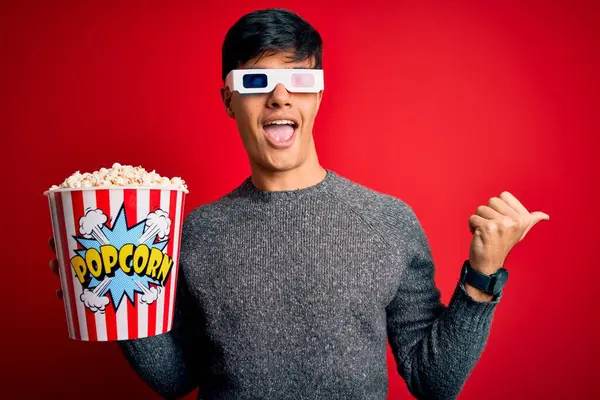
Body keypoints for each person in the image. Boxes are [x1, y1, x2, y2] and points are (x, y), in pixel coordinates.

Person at [48, 8, 549, 400]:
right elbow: (175, 380)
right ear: (228, 100)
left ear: (318, 97)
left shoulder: (388, 221)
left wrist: (482, 276)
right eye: (256, 82)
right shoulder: (192, 232)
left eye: (300, 82)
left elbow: (432, 382)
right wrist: (115, 294)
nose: (281, 97)